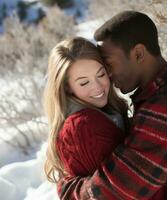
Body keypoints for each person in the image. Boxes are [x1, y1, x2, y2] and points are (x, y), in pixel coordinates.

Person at [57, 11, 167, 200]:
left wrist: (67, 190)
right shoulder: (161, 96)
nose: (107, 74)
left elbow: (116, 191)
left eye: (108, 63)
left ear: (138, 54)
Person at [43, 37, 130, 186]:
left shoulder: (106, 111)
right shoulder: (83, 127)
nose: (98, 87)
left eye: (101, 75)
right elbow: (113, 191)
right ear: (66, 87)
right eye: (84, 82)